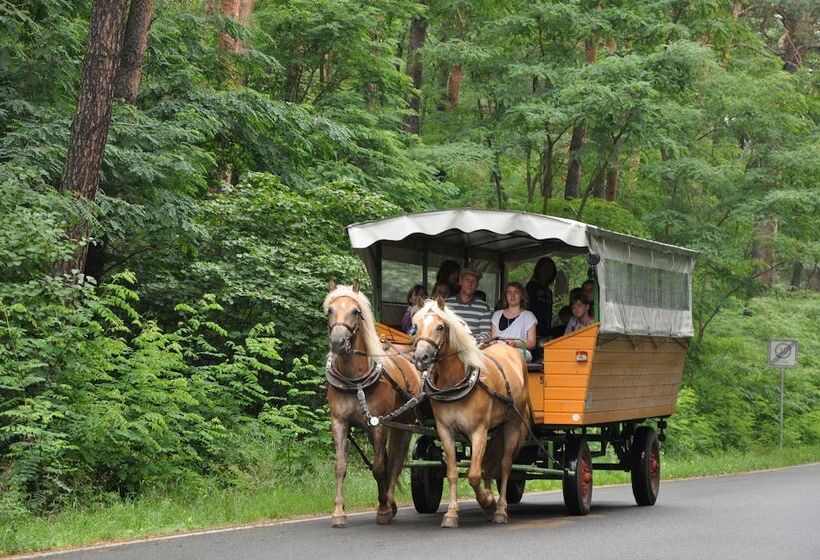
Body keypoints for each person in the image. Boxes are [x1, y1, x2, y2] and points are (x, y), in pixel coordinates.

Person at [491, 282, 537, 361]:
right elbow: (494, 339)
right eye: (509, 292)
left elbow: (532, 343)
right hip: (499, 350)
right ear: (506, 295)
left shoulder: (529, 316)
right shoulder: (497, 315)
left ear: (522, 295)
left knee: (509, 354)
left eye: (516, 292)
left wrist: (516, 344)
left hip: (520, 351)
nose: (512, 295)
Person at [445, 269, 492, 338]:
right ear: (460, 281)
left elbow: (486, 334)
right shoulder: (447, 304)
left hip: (473, 346)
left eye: (474, 281)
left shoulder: (483, 307)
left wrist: (470, 343)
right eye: (467, 280)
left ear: (477, 285)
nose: (470, 284)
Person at [526, 257, 557, 339]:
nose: (548, 273)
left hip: (545, 331)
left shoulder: (549, 292)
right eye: (545, 269)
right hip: (532, 330)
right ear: (538, 270)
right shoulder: (531, 287)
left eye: (551, 270)